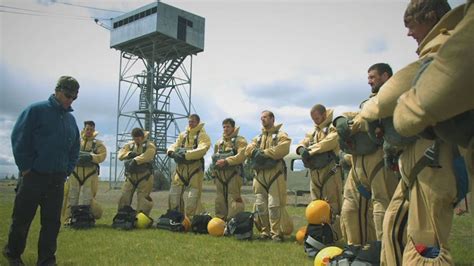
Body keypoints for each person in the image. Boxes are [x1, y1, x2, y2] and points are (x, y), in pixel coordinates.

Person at [389, 1, 470, 264]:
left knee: (426, 246)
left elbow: (419, 105)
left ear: (432, 17)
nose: (409, 33)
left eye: (411, 25)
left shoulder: (449, 51)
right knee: (396, 227)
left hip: (438, 163)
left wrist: (394, 114)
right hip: (421, 165)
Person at [3, 76, 80, 266]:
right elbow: (19, 139)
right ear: (57, 91)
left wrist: (67, 170)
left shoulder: (71, 120)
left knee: (52, 223)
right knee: (22, 219)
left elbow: (74, 149)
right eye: (67, 95)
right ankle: (13, 255)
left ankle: (46, 260)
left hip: (56, 180)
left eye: (74, 97)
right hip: (33, 177)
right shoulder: (35, 111)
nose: (69, 100)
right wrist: (27, 168)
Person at [339, 63, 399, 248]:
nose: (369, 81)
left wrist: (353, 126)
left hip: (380, 159)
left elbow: (368, 119)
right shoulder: (368, 102)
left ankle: (385, 250)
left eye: (373, 77)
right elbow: (357, 115)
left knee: (382, 206)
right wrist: (339, 119)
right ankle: (355, 247)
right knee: (349, 207)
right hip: (358, 162)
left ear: (385, 76)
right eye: (368, 77)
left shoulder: (393, 98)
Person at [245, 110, 293, 242]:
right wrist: (256, 152)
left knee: (274, 205)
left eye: (265, 117)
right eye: (261, 118)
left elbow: (283, 149)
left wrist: (263, 153)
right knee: (260, 205)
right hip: (259, 176)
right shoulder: (258, 138)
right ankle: (264, 232)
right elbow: (248, 150)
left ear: (272, 119)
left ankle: (276, 233)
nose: (262, 120)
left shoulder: (281, 135)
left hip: (275, 175)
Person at [296, 104, 342, 234]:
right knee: (315, 204)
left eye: (316, 117)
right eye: (313, 118)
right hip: (314, 172)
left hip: (330, 171)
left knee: (332, 205)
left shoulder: (333, 128)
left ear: (324, 115)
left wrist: (309, 151)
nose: (315, 120)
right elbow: (302, 142)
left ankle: (334, 235)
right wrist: (301, 149)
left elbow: (330, 142)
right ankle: (317, 234)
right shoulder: (312, 132)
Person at [62, 120, 107, 226]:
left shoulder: (98, 144)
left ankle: (87, 218)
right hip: (75, 172)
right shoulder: (75, 141)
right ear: (84, 129)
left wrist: (91, 157)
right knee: (72, 196)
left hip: (90, 173)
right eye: (87, 129)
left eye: (91, 129)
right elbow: (67, 152)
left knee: (88, 196)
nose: (89, 131)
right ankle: (69, 218)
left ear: (94, 130)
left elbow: (102, 155)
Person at [167, 114, 211, 218]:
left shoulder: (202, 135)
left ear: (198, 122)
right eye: (189, 121)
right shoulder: (183, 135)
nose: (190, 123)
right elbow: (175, 145)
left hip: (195, 168)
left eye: (193, 121)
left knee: (193, 196)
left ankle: (191, 220)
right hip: (180, 169)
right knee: (174, 194)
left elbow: (203, 149)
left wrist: (186, 155)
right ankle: (175, 217)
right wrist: (172, 152)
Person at [211, 118, 248, 221]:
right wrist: (214, 174)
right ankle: (220, 221)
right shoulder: (219, 142)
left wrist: (227, 161)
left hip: (234, 174)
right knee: (220, 199)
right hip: (219, 175)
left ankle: (233, 222)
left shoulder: (240, 140)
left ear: (233, 127)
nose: (225, 129)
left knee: (233, 198)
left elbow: (242, 155)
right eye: (224, 127)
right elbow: (215, 159)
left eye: (228, 127)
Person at [116, 128, 156, 216]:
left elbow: (148, 156)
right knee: (124, 196)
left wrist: (135, 160)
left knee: (143, 199)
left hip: (145, 176)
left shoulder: (149, 145)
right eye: (135, 138)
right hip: (130, 176)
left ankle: (141, 218)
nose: (137, 140)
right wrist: (129, 154)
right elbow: (120, 155)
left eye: (138, 138)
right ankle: (122, 215)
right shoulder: (130, 145)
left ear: (142, 137)